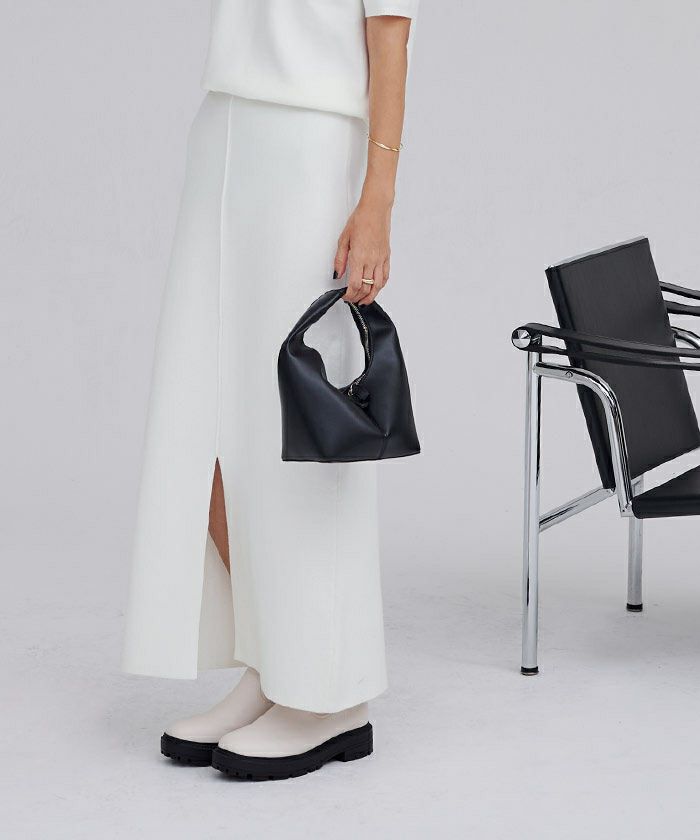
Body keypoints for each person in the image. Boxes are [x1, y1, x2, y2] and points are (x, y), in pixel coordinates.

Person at [123, 0, 419, 781]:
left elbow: (391, 38)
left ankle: (330, 696)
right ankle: (272, 661)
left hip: (311, 145)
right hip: (223, 131)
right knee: (209, 421)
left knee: (297, 425)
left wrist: (377, 200)